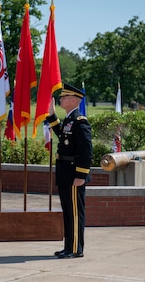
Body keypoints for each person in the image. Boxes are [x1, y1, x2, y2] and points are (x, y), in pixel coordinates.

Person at [46, 83, 93, 259]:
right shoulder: (69, 119)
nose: (61, 99)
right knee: (67, 211)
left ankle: (75, 248)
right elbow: (64, 137)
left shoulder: (80, 122)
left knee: (74, 212)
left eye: (64, 97)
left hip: (74, 174)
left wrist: (81, 175)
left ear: (74, 100)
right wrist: (52, 116)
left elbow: (86, 151)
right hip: (66, 173)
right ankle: (68, 247)